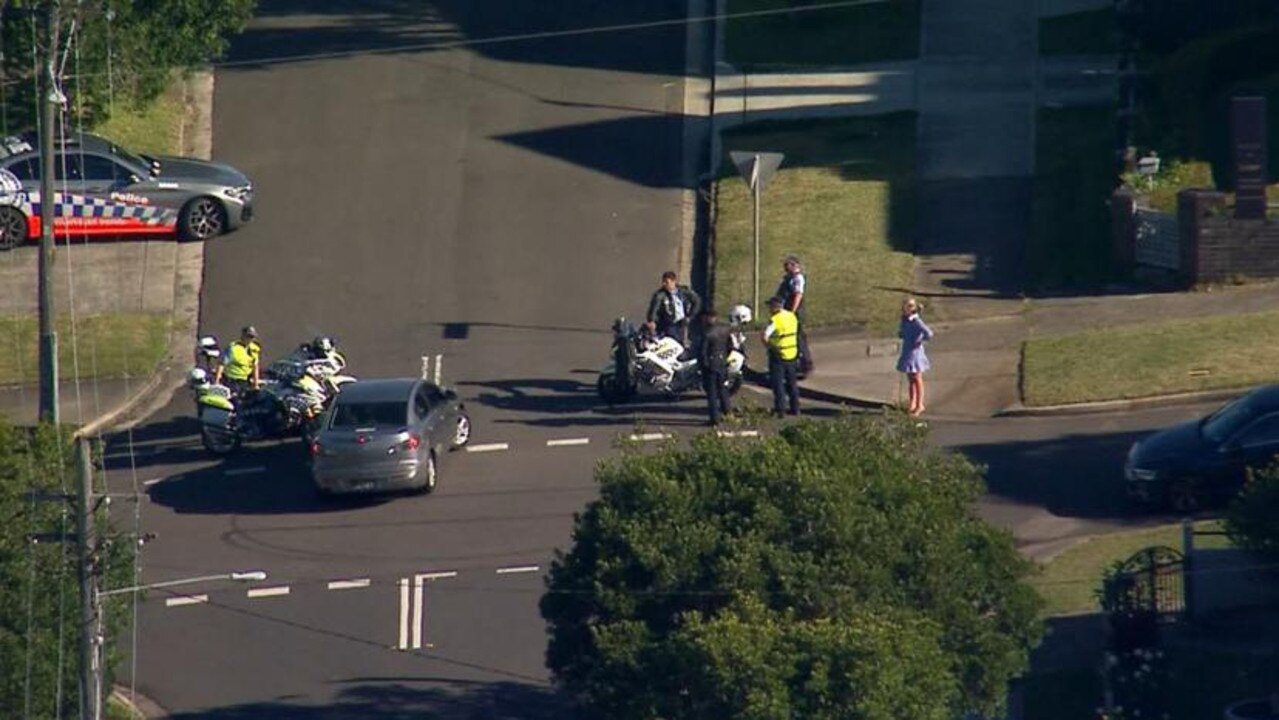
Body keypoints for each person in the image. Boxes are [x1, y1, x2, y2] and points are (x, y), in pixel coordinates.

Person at [761, 296, 800, 417]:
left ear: (775, 307)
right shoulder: (792, 316)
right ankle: (796, 408)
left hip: (778, 355)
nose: (769, 309)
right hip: (792, 353)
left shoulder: (775, 320)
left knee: (778, 383)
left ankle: (780, 409)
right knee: (792, 383)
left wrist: (769, 347)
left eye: (770, 306)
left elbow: (764, 336)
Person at [776, 255, 813, 376]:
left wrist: (792, 312)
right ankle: (797, 363)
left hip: (795, 312)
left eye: (787, 266)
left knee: (798, 337)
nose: (785, 268)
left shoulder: (798, 279)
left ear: (794, 266)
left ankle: (805, 364)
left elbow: (798, 295)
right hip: (789, 311)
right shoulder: (789, 278)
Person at [896, 297, 934, 417]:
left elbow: (929, 333)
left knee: (917, 379)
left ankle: (919, 404)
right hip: (907, 351)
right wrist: (901, 333)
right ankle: (912, 403)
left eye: (907, 307)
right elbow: (902, 332)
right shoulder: (905, 320)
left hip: (915, 353)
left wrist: (920, 340)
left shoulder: (916, 321)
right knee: (910, 379)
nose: (904, 309)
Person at [646, 271, 701, 348]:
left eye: (667, 282)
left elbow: (697, 300)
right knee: (672, 342)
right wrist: (652, 320)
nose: (664, 284)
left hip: (683, 321)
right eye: (663, 282)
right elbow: (654, 309)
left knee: (684, 342)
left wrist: (691, 315)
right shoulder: (660, 295)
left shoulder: (683, 291)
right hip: (670, 323)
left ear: (673, 282)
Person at [698, 309, 733, 426]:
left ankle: (714, 418)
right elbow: (730, 346)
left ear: (708, 318)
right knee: (723, 389)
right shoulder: (725, 329)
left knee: (712, 393)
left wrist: (704, 365)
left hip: (711, 365)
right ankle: (727, 412)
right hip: (722, 363)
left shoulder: (707, 333)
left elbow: (703, 352)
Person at [215, 325, 263, 397]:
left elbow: (255, 366)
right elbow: (221, 364)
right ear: (243, 336)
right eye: (248, 336)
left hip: (244, 381)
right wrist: (217, 381)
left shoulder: (255, 348)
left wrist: (256, 384)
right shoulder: (233, 348)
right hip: (231, 380)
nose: (250, 339)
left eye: (252, 337)